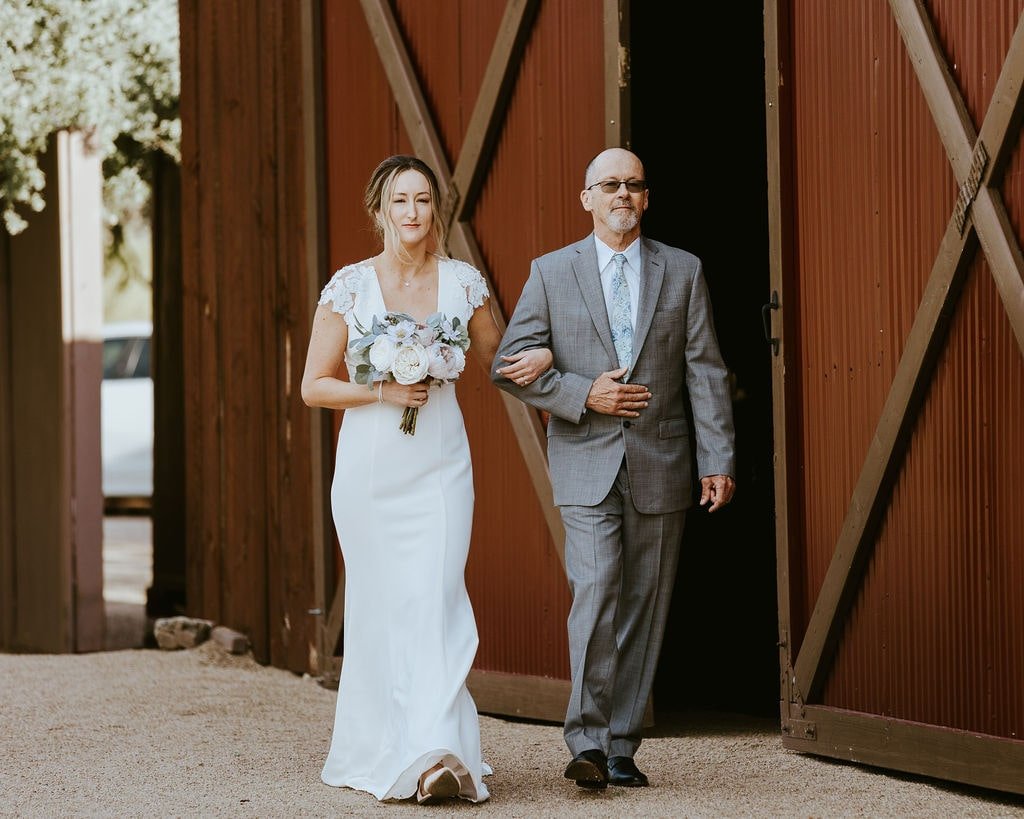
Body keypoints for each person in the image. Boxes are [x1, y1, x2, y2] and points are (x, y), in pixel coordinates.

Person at [301, 154, 550, 805]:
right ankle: (385, 747)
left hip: (441, 463)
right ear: (379, 211)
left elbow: (501, 360)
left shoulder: (462, 283)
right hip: (371, 469)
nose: (412, 212)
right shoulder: (350, 287)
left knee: (437, 597)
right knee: (384, 606)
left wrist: (551, 353)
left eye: (422, 200)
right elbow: (314, 386)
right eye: (400, 201)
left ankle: (438, 752)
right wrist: (383, 387)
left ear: (435, 209)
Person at [491, 147, 736, 790]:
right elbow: (506, 366)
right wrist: (580, 394)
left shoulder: (682, 270)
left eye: (633, 185)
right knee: (596, 592)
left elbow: (703, 370)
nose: (621, 194)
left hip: (664, 456)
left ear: (645, 198)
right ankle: (588, 742)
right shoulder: (551, 272)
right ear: (587, 199)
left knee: (646, 604)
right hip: (585, 457)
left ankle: (622, 744)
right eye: (609, 185)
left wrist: (717, 458)